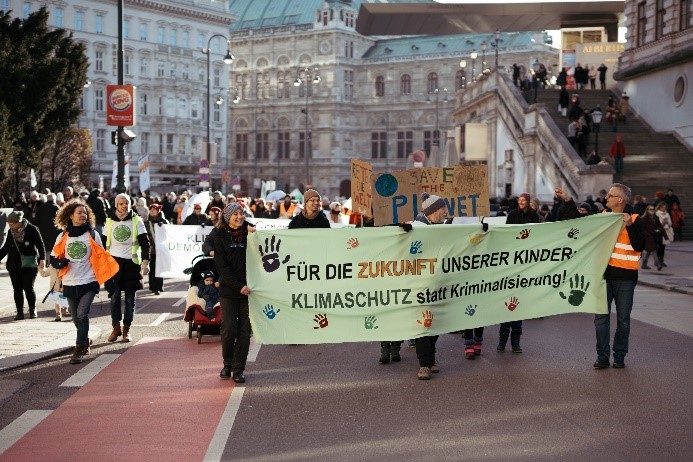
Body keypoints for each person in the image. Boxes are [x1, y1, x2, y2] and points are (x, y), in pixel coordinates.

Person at [556, 183, 645, 369]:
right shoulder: (604, 217)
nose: (606, 198)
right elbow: (579, 221)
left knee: (623, 320)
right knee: (601, 318)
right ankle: (602, 355)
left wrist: (629, 225)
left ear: (620, 200)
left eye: (610, 196)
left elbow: (639, 245)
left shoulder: (635, 219)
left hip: (626, 279)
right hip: (604, 276)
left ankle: (619, 356)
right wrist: (567, 200)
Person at [51, 200, 118, 364]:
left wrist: (109, 283)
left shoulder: (93, 235)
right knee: (75, 318)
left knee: (82, 314)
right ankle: (85, 340)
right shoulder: (62, 236)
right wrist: (59, 264)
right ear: (71, 216)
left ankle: (79, 349)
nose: (83, 215)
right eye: (79, 213)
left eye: (85, 213)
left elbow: (102, 259)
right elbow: (53, 256)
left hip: (89, 281)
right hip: (70, 282)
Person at [214, 202, 255, 384]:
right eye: (235, 214)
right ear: (227, 217)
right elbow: (223, 268)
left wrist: (256, 236)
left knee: (245, 332)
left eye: (241, 214)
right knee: (228, 330)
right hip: (229, 291)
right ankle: (227, 364)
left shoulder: (251, 233)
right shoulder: (220, 236)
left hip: (250, 291)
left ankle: (239, 369)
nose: (239, 217)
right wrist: (239, 286)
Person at [497, 193, 541, 354]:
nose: (521, 203)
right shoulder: (512, 215)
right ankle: (502, 341)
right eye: (520, 201)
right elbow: (507, 234)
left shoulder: (534, 216)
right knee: (507, 304)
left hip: (525, 263)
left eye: (524, 201)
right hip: (512, 261)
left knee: (519, 305)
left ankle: (515, 343)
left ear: (529, 202)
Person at [104, 193, 151, 343]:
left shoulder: (137, 221)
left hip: (131, 264)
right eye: (121, 203)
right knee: (114, 297)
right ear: (116, 205)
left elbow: (145, 243)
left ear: (130, 205)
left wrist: (146, 262)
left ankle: (126, 330)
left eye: (126, 203)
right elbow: (103, 244)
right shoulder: (110, 222)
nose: (124, 206)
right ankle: (116, 328)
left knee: (130, 300)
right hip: (113, 264)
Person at [413, 192, 448, 380]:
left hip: (439, 284)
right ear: (433, 210)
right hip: (421, 285)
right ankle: (424, 364)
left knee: (435, 323)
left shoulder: (443, 228)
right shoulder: (416, 228)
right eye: (442, 208)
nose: (445, 211)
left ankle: (431, 357)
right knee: (423, 324)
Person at [0, 211, 46, 320]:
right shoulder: (11, 232)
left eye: (12, 224)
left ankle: (32, 309)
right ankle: (19, 311)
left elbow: (40, 245)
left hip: (29, 264)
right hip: (13, 264)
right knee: (17, 288)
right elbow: (6, 248)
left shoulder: (32, 229)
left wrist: (42, 259)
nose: (10, 226)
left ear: (19, 222)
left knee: (28, 287)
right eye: (9, 224)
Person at [144, 203, 169, 295]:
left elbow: (169, 233)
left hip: (161, 248)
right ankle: (153, 287)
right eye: (151, 210)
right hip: (151, 248)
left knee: (160, 268)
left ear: (158, 211)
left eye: (154, 210)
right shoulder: (147, 223)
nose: (152, 211)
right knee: (153, 267)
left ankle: (159, 286)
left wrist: (162, 227)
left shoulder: (164, 222)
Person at [640, 204, 664, 269]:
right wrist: (647, 234)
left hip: (654, 236)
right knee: (654, 250)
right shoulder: (644, 218)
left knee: (648, 250)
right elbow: (642, 228)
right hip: (647, 237)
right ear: (647, 210)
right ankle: (657, 264)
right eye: (650, 209)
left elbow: (660, 226)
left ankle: (644, 265)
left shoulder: (656, 218)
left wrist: (658, 230)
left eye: (653, 209)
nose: (652, 211)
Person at [654, 201, 674, 270]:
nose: (664, 209)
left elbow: (671, 223)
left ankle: (661, 261)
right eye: (662, 207)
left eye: (665, 207)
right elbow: (656, 224)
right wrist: (662, 223)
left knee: (663, 247)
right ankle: (658, 261)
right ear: (659, 207)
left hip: (666, 232)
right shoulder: (656, 214)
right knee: (659, 247)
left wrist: (668, 223)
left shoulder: (667, 214)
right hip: (659, 232)